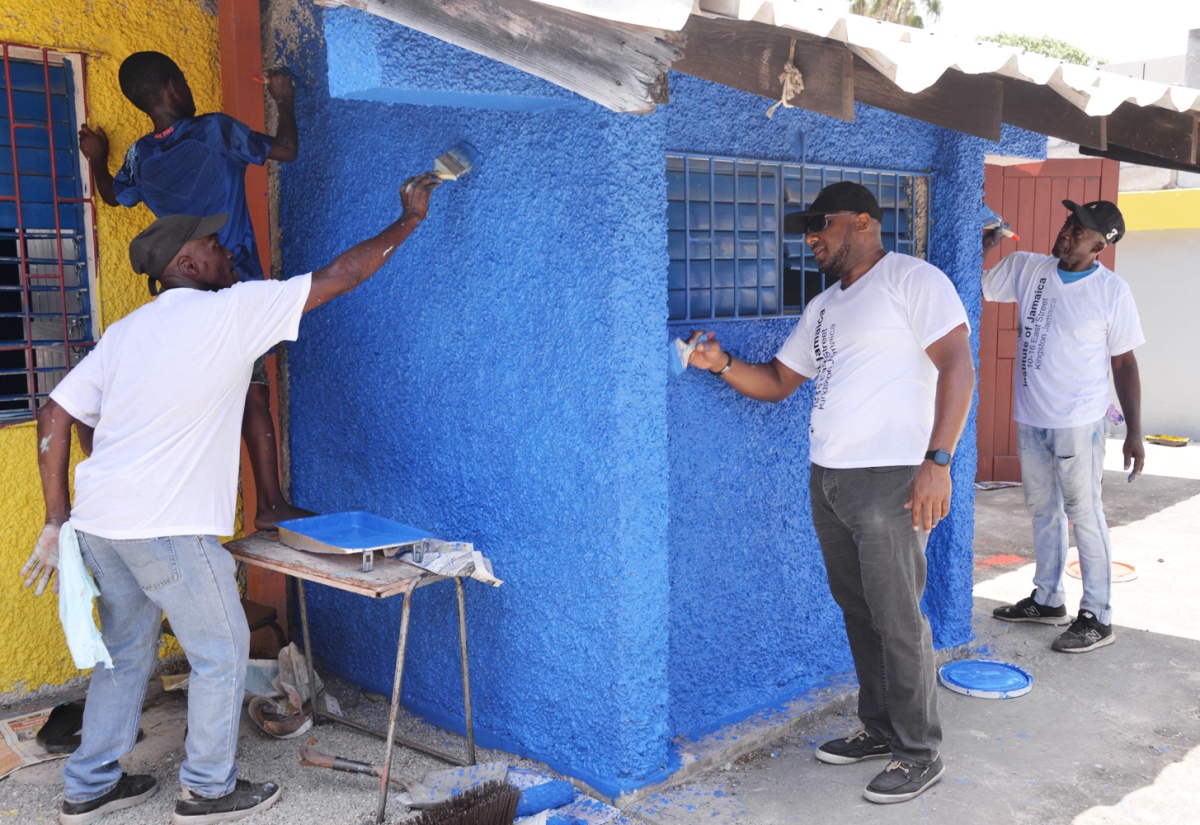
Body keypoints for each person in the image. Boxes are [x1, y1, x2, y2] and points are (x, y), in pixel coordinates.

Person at [19, 172, 442, 825]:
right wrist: (408, 219)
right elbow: (340, 276)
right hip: (164, 527)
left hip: (101, 524)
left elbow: (55, 412)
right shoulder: (230, 310)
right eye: (215, 245)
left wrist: (56, 518)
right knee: (222, 647)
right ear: (188, 262)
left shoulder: (127, 333)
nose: (228, 253)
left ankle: (90, 784)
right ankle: (207, 788)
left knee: (126, 651)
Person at [686, 182, 974, 805]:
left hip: (894, 478)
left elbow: (958, 365)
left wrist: (939, 461)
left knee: (899, 618)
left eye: (822, 223)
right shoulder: (824, 307)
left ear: (865, 222)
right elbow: (779, 381)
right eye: (806, 228)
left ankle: (918, 751)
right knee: (859, 611)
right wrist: (720, 363)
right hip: (831, 481)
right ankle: (878, 730)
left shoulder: (913, 280)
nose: (811, 236)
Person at [77, 50, 305, 531]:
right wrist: (284, 100)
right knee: (253, 394)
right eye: (182, 78)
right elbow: (285, 151)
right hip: (231, 274)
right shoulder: (212, 131)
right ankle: (270, 504)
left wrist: (97, 159)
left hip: (181, 284)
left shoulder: (140, 155)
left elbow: (115, 197)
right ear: (170, 88)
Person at [983, 199, 1144, 654]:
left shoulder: (1112, 292)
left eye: (1080, 230)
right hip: (1031, 417)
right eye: (1070, 223)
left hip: (1079, 422)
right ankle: (1048, 598)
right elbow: (972, 285)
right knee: (1042, 511)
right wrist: (980, 244)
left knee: (1084, 515)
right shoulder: (1026, 268)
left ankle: (1098, 615)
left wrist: (1134, 431)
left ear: (1100, 245)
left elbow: (1126, 363)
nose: (1068, 232)